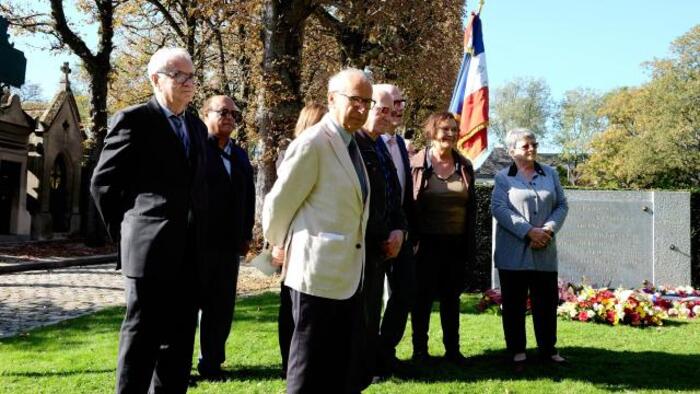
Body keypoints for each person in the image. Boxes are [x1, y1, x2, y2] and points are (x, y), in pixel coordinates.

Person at [90, 47, 208, 393]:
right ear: (156, 80)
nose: (189, 83)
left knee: (180, 340)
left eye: (192, 76)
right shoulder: (135, 120)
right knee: (142, 338)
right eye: (180, 76)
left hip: (189, 252)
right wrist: (129, 232)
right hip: (150, 251)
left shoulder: (196, 128)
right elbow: (104, 184)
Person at [263, 68, 371, 394]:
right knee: (307, 371)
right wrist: (280, 246)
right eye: (355, 100)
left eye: (367, 101)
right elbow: (277, 205)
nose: (363, 109)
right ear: (331, 99)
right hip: (314, 275)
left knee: (339, 369)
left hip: (347, 277)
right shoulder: (313, 143)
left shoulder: (351, 145)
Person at [491, 128, 568, 372]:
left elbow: (562, 205)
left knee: (545, 304)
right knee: (513, 306)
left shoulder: (551, 174)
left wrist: (547, 229)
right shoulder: (503, 178)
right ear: (512, 150)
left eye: (534, 144)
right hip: (513, 254)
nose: (532, 149)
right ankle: (517, 352)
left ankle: (548, 350)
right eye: (526, 146)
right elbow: (499, 209)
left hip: (544, 252)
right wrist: (528, 231)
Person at [409, 112, 476, 365]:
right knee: (421, 299)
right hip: (424, 245)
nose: (449, 134)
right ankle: (420, 350)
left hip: (456, 244)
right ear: (432, 132)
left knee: (451, 299)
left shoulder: (465, 167)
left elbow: (472, 208)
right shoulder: (415, 164)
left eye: (453, 129)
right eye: (444, 129)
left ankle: (453, 350)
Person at [197, 95, 255, 378]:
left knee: (221, 307)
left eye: (234, 114)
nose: (230, 118)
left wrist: (246, 235)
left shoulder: (240, 155)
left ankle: (212, 362)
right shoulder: (195, 150)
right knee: (187, 307)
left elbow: (249, 198)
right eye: (223, 112)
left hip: (229, 245)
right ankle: (178, 365)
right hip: (198, 244)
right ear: (205, 114)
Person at [354, 86, 406, 385]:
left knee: (373, 312)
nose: (388, 115)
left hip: (382, 246)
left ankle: (371, 363)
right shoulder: (352, 147)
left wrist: (399, 229)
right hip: (359, 248)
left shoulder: (382, 147)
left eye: (391, 109)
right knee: (359, 316)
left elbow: (393, 196)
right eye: (382, 109)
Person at [273, 102, 327, 379]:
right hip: (293, 239)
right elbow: (282, 203)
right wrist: (277, 242)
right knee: (292, 305)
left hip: (312, 242)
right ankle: (289, 361)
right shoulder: (296, 153)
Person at [373, 84, 416, 377]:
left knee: (404, 293)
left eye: (402, 102)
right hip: (374, 237)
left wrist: (406, 231)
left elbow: (403, 193)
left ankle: (384, 350)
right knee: (371, 300)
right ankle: (368, 357)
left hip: (401, 235)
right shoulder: (366, 143)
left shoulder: (400, 144)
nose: (399, 108)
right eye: (392, 103)